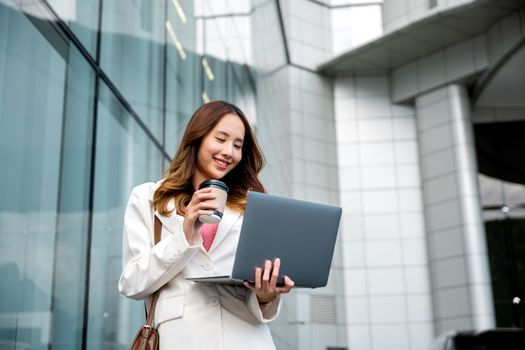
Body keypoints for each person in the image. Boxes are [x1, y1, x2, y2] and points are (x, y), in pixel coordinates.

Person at [118, 100, 295, 350]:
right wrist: (184, 236)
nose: (229, 152)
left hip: (248, 339)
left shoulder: (252, 207)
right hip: (182, 339)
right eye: (220, 139)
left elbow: (261, 301)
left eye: (237, 145)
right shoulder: (148, 198)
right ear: (197, 138)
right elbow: (132, 282)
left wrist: (266, 295)